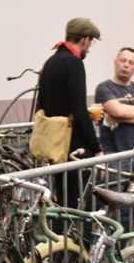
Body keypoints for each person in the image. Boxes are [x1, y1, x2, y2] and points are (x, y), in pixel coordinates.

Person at [36, 17, 103, 209]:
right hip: (75, 146)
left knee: (64, 201)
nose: (89, 48)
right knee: (83, 204)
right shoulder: (74, 63)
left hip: (56, 144)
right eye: (91, 42)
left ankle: (64, 229)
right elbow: (78, 110)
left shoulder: (50, 62)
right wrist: (96, 147)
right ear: (85, 40)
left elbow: (45, 103)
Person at [95, 47, 134, 169]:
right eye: (123, 60)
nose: (126, 65)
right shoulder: (104, 88)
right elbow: (118, 111)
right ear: (115, 62)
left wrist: (121, 118)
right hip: (113, 155)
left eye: (131, 63)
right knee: (114, 182)